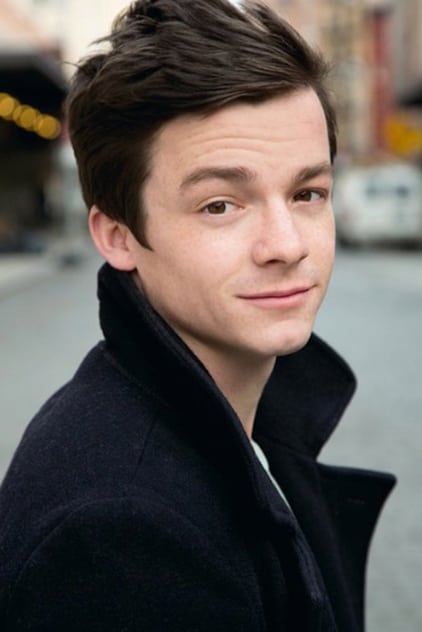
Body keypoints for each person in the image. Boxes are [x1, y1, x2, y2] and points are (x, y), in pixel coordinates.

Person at [0, 1, 395, 630]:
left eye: (307, 193)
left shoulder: (238, 419)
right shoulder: (118, 539)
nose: (287, 245)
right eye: (220, 205)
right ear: (118, 236)